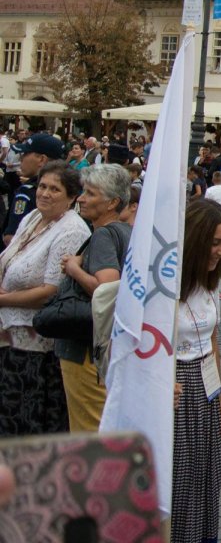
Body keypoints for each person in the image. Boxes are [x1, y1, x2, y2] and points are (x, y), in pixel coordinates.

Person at [0, 161, 90, 435]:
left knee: (25, 422)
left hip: (37, 347)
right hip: (10, 334)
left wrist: (3, 300)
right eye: (42, 186)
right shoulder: (33, 218)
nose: (45, 193)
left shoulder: (72, 230)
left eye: (54, 189)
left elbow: (52, 291)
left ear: (72, 196)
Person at [172, 198, 221, 543]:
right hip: (175, 389)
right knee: (180, 477)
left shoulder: (209, 286)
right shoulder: (164, 288)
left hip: (204, 388)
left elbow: (213, 344)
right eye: (215, 242)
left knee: (203, 475)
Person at [57, 164, 132, 431]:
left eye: (90, 193)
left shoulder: (102, 234)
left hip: (87, 349)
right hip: (110, 347)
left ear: (112, 202)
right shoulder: (127, 232)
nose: (81, 198)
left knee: (89, 429)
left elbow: (106, 289)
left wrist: (73, 268)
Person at [5, 132, 65, 246]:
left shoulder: (26, 192)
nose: (21, 158)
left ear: (42, 159)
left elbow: (11, 237)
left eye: (25, 153)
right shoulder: (66, 189)